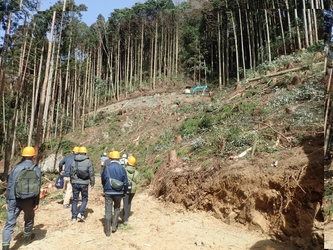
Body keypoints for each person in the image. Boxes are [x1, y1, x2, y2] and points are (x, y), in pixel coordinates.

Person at [2, 146, 42, 250]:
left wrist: (8, 201)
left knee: (9, 223)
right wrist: (36, 202)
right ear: (33, 156)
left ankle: (5, 246)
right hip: (29, 200)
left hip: (14, 199)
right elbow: (38, 187)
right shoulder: (36, 169)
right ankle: (26, 238)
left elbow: (10, 185)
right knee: (29, 219)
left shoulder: (16, 168)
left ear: (23, 155)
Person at [101, 151, 128, 236]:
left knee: (108, 210)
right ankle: (114, 226)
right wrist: (125, 191)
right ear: (119, 158)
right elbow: (125, 182)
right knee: (117, 208)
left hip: (108, 191)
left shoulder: (107, 167)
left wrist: (105, 187)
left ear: (110, 158)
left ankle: (107, 231)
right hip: (119, 192)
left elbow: (103, 179)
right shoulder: (122, 168)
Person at [70, 146, 95, 222]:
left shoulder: (74, 161)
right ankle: (81, 213)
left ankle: (74, 217)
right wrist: (92, 182)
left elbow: (71, 173)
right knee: (84, 198)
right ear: (85, 153)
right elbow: (91, 173)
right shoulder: (88, 162)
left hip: (75, 183)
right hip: (84, 183)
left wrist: (72, 181)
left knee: (75, 199)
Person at [122, 155, 140, 226]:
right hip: (133, 189)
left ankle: (125, 219)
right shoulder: (136, 172)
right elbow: (137, 181)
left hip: (125, 188)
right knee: (129, 202)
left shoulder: (124, 170)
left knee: (125, 203)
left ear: (127, 163)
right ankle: (127, 216)